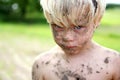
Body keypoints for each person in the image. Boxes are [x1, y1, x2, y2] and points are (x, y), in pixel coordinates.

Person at [32, 0, 120, 80]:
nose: (68, 37)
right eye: (58, 26)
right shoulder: (42, 65)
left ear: (97, 20)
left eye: (78, 27)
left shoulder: (114, 63)